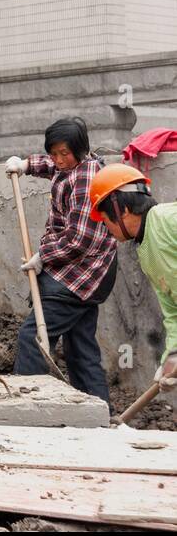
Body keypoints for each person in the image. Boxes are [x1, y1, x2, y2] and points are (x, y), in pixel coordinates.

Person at [5, 117, 117, 402]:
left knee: (33, 339)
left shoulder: (86, 179)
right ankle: (97, 412)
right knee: (80, 348)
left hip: (81, 274)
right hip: (87, 272)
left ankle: (28, 404)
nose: (58, 159)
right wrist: (26, 165)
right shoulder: (71, 163)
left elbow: (79, 240)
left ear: (81, 150)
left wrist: (43, 256)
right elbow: (52, 165)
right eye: (54, 153)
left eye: (64, 153)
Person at [88, 164, 177, 394]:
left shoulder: (168, 219)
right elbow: (172, 312)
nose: (107, 229)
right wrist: (172, 356)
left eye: (106, 220)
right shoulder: (146, 251)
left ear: (124, 210)